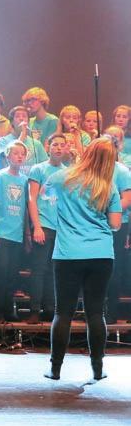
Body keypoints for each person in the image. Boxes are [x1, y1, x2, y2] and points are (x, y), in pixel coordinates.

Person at [41, 138, 122, 381]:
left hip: (67, 254)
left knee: (62, 312)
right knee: (96, 313)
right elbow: (116, 225)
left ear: (87, 153)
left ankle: (55, 369)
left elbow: (44, 195)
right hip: (100, 254)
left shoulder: (62, 178)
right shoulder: (109, 187)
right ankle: (97, 369)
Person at [26, 134, 68, 323]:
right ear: (47, 146)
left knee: (56, 270)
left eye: (62, 145)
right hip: (44, 225)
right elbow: (32, 199)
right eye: (55, 145)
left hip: (62, 228)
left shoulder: (69, 172)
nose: (58, 148)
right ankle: (35, 309)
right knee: (39, 269)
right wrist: (36, 226)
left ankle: (51, 309)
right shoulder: (38, 169)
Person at [0, 140, 29, 322]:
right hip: (1, 232)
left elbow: (27, 208)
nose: (19, 156)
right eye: (16, 153)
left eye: (22, 154)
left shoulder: (25, 180)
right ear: (8, 156)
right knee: (1, 271)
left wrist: (27, 233)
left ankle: (9, 307)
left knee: (12, 273)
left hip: (17, 234)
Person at [103, 126, 131, 323]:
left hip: (117, 224)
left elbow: (127, 198)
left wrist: (109, 213)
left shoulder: (121, 170)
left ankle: (111, 311)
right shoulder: (94, 169)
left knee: (114, 266)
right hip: (95, 225)